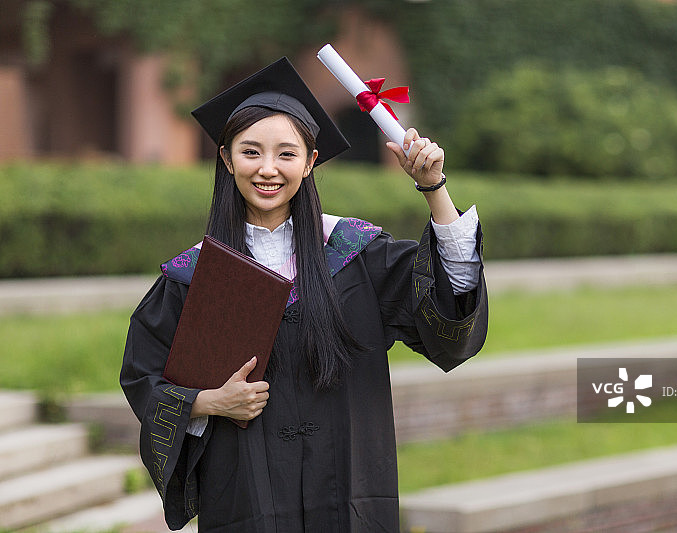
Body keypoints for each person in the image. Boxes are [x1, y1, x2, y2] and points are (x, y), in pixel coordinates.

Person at [120, 57, 487, 532]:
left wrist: (433, 188)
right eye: (250, 152)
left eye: (286, 154)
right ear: (227, 159)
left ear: (310, 162)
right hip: (247, 503)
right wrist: (210, 402)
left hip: (350, 501)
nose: (268, 169)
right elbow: (143, 378)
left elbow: (452, 297)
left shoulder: (357, 255)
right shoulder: (194, 278)